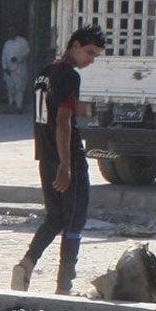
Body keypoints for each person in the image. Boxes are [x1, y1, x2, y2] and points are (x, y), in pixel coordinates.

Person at [11, 24, 107, 295]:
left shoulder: (44, 72)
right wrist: (66, 166)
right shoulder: (69, 76)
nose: (90, 60)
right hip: (68, 159)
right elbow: (64, 122)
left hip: (46, 157)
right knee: (75, 221)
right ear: (74, 45)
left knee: (54, 218)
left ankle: (27, 264)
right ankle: (64, 287)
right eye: (89, 52)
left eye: (96, 55)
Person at [1, 28, 31, 112]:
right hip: (9, 70)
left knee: (19, 88)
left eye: (12, 31)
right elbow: (3, 56)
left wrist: (18, 58)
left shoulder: (22, 41)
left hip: (19, 69)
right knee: (10, 89)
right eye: (9, 32)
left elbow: (27, 52)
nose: (11, 33)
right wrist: (5, 67)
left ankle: (19, 107)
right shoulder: (7, 43)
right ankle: (10, 106)